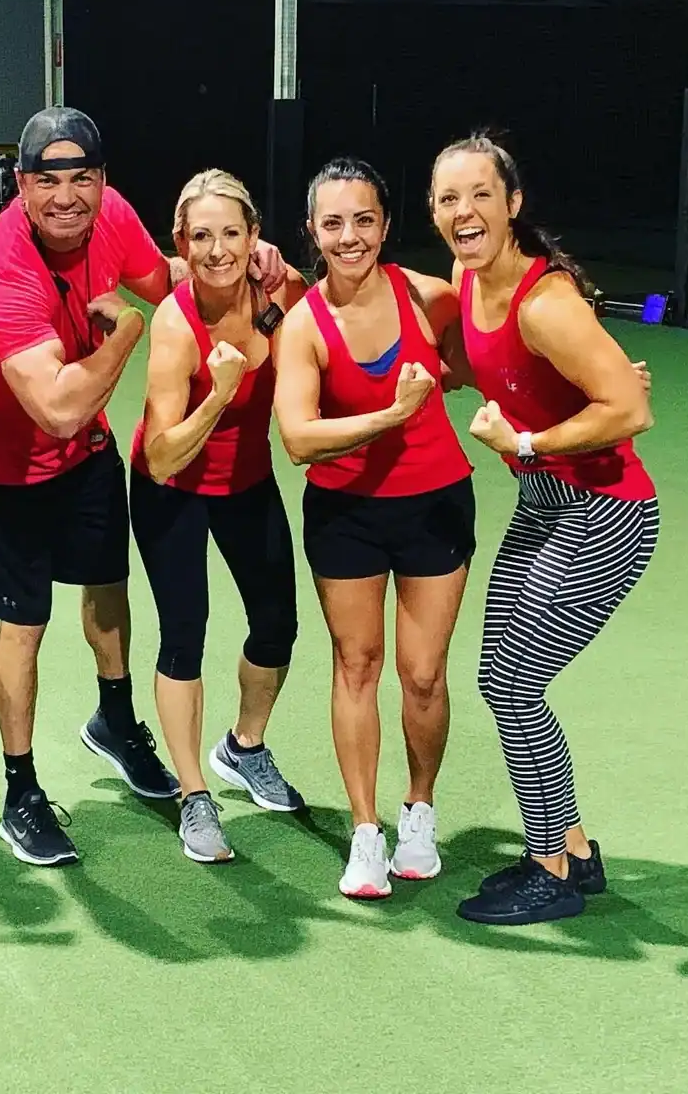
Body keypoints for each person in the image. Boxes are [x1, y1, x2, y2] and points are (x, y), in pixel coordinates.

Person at [0, 107, 288, 866]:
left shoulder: (113, 217)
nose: (66, 196)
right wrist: (133, 335)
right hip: (11, 463)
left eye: (82, 179)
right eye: (48, 181)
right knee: (24, 627)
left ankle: (115, 721)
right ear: (21, 184)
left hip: (88, 457)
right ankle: (21, 788)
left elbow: (162, 274)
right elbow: (60, 408)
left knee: (108, 590)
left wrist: (236, 253)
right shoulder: (2, 267)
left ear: (102, 182)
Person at [429, 132, 658, 926]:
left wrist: (525, 444)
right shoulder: (467, 275)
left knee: (513, 687)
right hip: (545, 506)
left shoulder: (544, 300)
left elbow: (632, 409)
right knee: (505, 677)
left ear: (513, 203)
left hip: (607, 513)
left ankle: (549, 867)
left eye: (481, 195)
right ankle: (577, 851)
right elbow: (486, 358)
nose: (466, 211)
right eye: (449, 199)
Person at [273, 157, 477, 899]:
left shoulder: (431, 298)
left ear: (387, 225)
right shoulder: (303, 326)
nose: (349, 236)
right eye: (333, 223)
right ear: (312, 232)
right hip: (346, 514)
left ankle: (418, 812)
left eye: (364, 220)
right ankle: (366, 832)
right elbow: (298, 438)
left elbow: (476, 364)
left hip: (435, 503)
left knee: (423, 674)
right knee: (356, 665)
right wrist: (391, 415)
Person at [129, 169, 307, 863]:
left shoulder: (275, 291)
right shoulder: (175, 325)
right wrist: (219, 394)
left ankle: (243, 746)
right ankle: (193, 794)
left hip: (247, 480)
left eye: (232, 233)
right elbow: (166, 454)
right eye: (201, 236)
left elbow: (325, 337)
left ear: (254, 236)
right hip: (170, 486)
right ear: (181, 242)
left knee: (278, 625)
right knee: (184, 634)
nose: (217, 249)